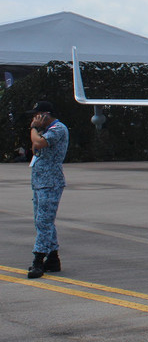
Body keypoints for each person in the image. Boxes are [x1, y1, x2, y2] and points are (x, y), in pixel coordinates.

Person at [25, 101, 69, 279]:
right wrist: (36, 129)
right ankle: (52, 258)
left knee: (44, 221)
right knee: (42, 220)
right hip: (40, 181)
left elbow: (39, 143)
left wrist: (34, 128)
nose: (34, 119)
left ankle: (38, 259)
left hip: (50, 182)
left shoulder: (58, 129)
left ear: (45, 115)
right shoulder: (44, 130)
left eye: (37, 115)